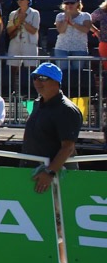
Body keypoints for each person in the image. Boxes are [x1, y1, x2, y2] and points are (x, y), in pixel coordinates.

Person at [25, 63, 82, 194]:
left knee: (60, 213)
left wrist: (49, 172)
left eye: (43, 78)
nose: (37, 82)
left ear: (56, 82)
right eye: (35, 77)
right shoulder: (37, 103)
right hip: (33, 171)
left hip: (55, 176)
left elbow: (68, 147)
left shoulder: (67, 110)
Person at [53, 0, 93, 88]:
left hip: (79, 48)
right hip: (62, 47)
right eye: (67, 3)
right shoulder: (60, 16)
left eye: (72, 3)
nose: (69, 5)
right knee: (62, 73)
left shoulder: (86, 16)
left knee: (77, 73)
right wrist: (66, 21)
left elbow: (86, 30)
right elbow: (61, 30)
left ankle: (76, 93)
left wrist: (73, 23)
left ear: (78, 4)